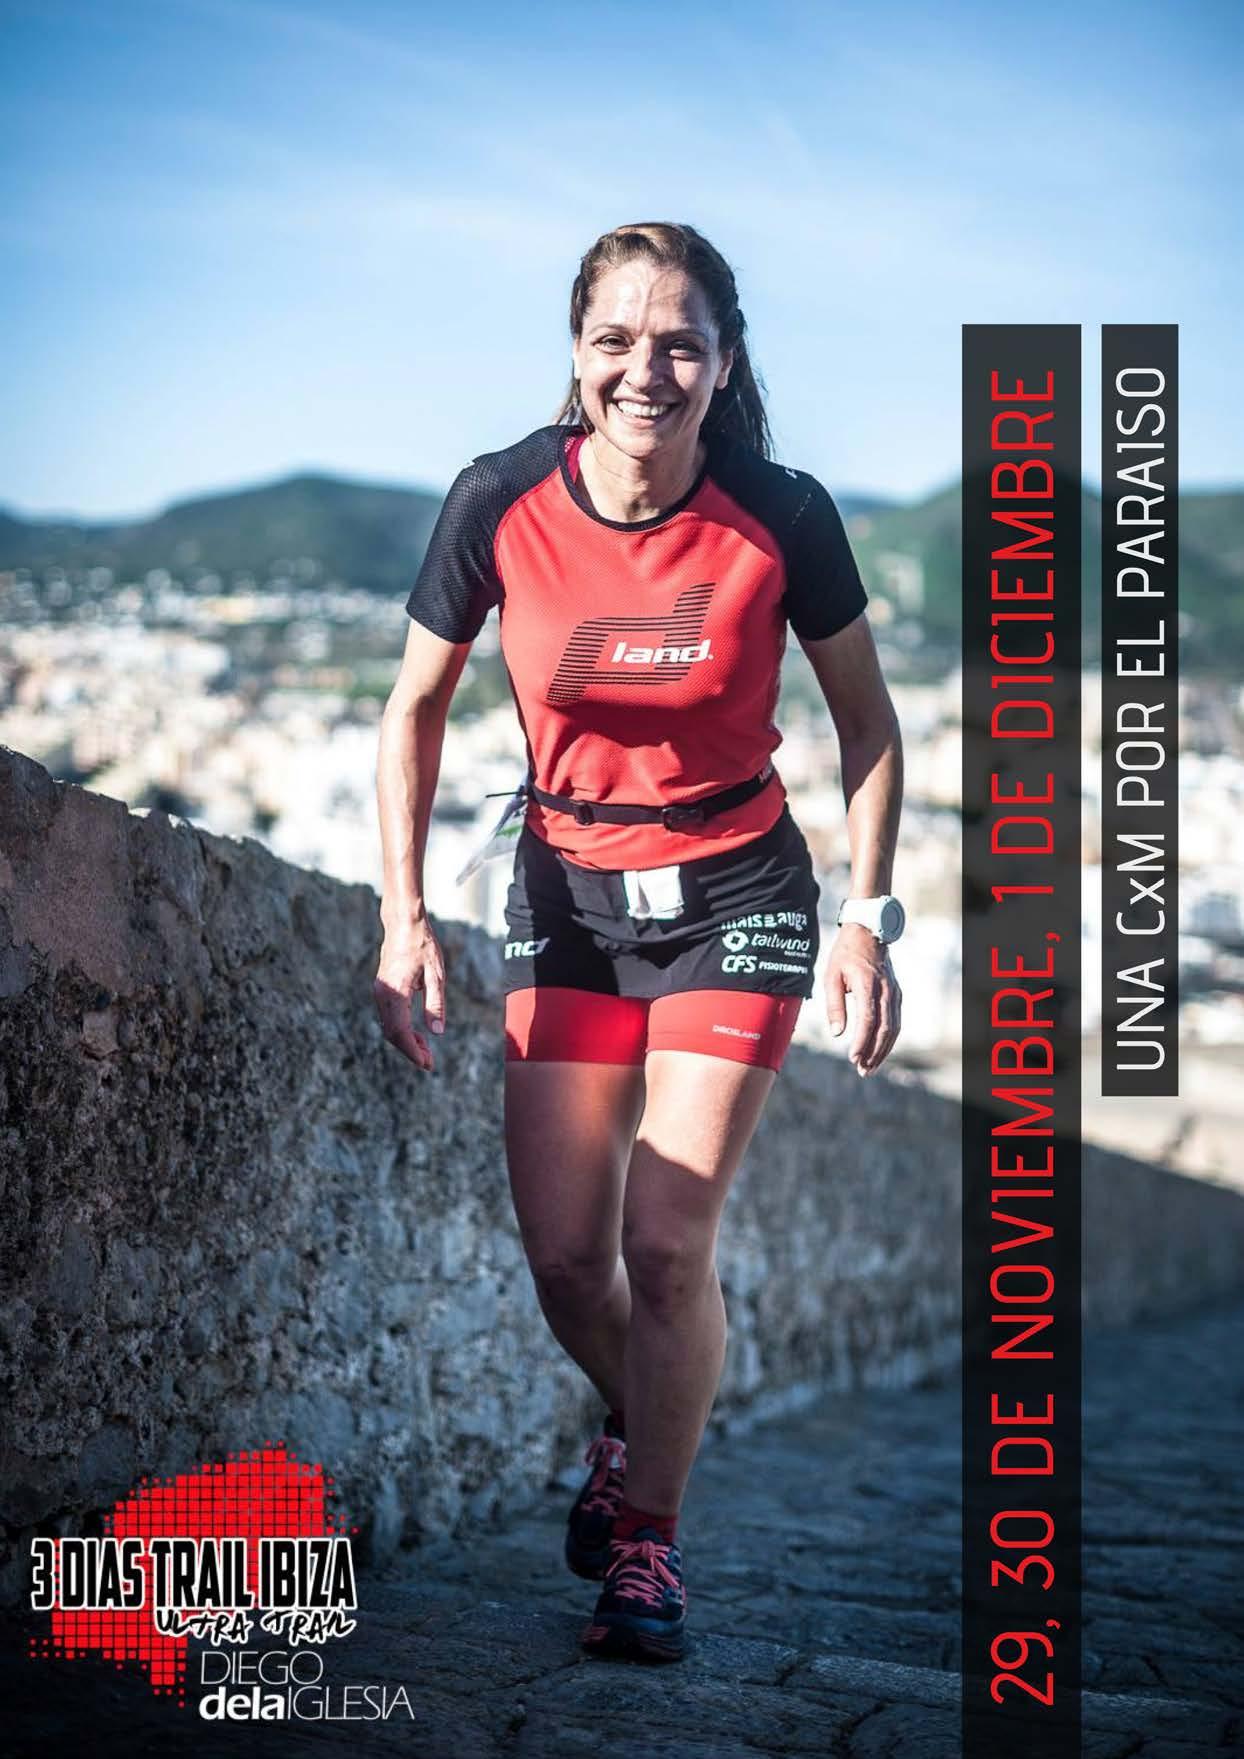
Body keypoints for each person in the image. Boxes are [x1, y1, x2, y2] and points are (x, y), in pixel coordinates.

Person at [374, 221, 903, 1664]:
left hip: (742, 895)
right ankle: (637, 1415)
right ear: (576, 350)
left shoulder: (780, 513)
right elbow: (413, 709)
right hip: (568, 899)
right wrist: (403, 916)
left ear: (725, 363)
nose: (645, 370)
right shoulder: (499, 498)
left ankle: (649, 1544)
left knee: (665, 1243)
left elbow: (869, 728)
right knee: (566, 1260)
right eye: (616, 339)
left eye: (680, 343)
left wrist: (866, 922)